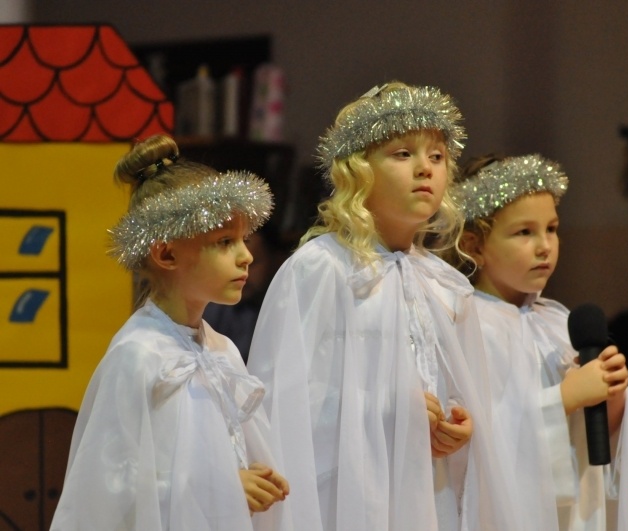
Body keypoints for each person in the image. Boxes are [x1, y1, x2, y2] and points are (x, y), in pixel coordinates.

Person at [247, 82, 519, 531]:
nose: (425, 170)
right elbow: (287, 407)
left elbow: (464, 391)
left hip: (430, 495)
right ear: (359, 170)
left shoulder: (446, 284)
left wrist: (459, 426)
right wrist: (389, 411)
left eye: (436, 157)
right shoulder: (322, 270)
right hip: (355, 499)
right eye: (402, 154)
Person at [51, 135, 290, 530]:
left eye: (243, 240)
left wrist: (257, 476)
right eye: (224, 241)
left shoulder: (222, 351)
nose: (246, 255)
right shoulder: (139, 356)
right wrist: (222, 489)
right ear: (166, 254)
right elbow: (110, 491)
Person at [447, 153, 628, 530]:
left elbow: (604, 442)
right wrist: (562, 400)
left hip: (580, 512)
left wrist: (611, 398)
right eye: (524, 232)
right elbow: (479, 445)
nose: (544, 246)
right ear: (474, 246)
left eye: (552, 228)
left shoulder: (560, 321)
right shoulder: (466, 325)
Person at [204, 222, 292, 362]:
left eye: (252, 264)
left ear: (277, 260)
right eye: (235, 263)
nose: (243, 273)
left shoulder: (289, 312)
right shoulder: (213, 306)